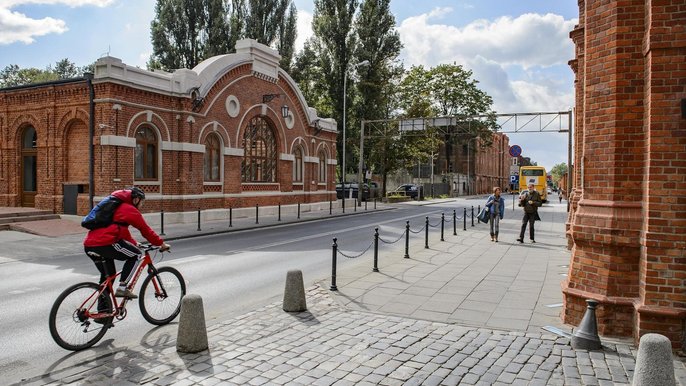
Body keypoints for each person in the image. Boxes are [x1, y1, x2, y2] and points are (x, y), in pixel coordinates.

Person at [84, 187, 170, 299]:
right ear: (136, 199)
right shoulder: (129, 209)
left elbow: (121, 229)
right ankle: (123, 288)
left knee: (108, 278)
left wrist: (134, 243)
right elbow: (146, 230)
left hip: (89, 245)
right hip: (106, 243)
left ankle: (104, 313)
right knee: (136, 255)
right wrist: (161, 244)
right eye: (142, 201)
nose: (142, 205)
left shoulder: (116, 206)